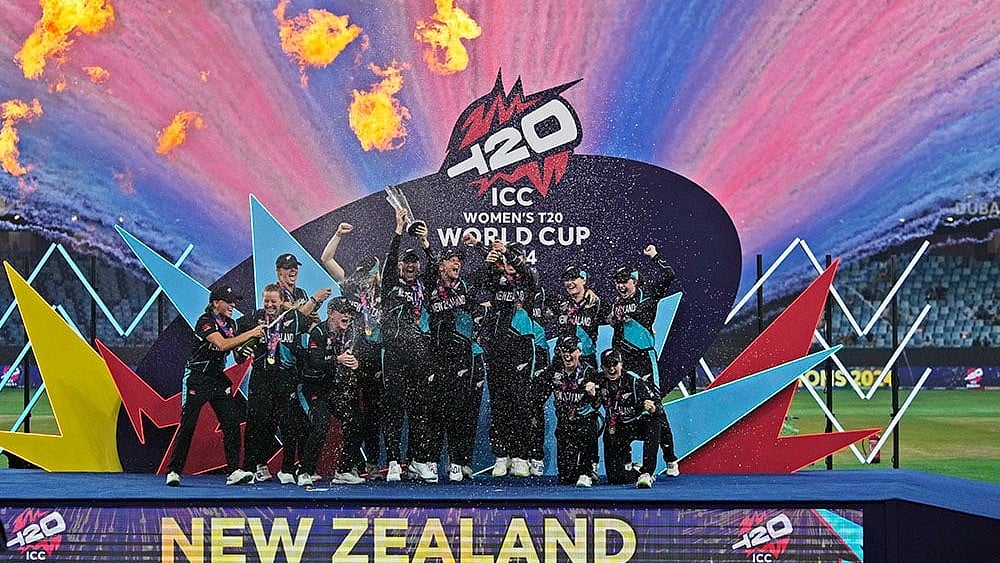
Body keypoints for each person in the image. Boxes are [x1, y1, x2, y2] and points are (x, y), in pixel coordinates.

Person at [164, 286, 265, 487]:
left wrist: (249, 346)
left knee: (231, 422)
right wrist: (251, 332)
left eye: (234, 301)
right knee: (189, 425)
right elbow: (221, 345)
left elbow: (236, 355)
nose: (233, 305)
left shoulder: (232, 325)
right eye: (229, 301)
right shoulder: (205, 322)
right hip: (197, 377)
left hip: (217, 379)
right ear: (216, 302)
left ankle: (234, 470)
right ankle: (174, 471)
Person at [608, 244, 681, 473]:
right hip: (624, 361)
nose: (621, 286)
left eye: (625, 281)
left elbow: (670, 275)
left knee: (655, 407)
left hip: (644, 358)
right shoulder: (617, 305)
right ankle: (628, 460)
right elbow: (616, 333)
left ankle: (670, 458)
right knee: (621, 406)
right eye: (618, 282)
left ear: (634, 282)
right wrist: (613, 320)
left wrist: (654, 256)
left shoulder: (649, 293)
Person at [474, 239, 544, 479]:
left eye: (514, 258)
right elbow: (477, 284)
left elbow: (526, 273)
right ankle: (501, 455)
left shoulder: (529, 277)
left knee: (521, 403)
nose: (510, 264)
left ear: (522, 259)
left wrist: (507, 254)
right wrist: (483, 252)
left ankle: (521, 455)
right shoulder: (497, 277)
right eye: (507, 260)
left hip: (522, 345)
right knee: (500, 403)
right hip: (496, 345)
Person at [321, 222, 384, 479]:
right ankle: (350, 464)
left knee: (373, 415)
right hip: (353, 358)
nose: (366, 280)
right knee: (352, 414)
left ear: (376, 274)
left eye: (370, 274)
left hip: (376, 359)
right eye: (363, 275)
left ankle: (370, 464)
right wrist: (337, 235)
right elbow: (327, 259)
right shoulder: (351, 288)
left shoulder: (386, 290)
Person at [237, 283, 312, 484]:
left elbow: (312, 324)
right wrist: (245, 343)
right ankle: (252, 467)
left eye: (273, 301)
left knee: (289, 424)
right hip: (261, 376)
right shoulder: (255, 317)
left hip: (285, 378)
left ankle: (287, 469)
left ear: (281, 301)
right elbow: (235, 338)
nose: (269, 305)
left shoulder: (293, 318)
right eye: (266, 301)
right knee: (257, 422)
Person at [381, 209, 435, 482]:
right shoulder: (390, 284)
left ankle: (415, 460)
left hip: (419, 356)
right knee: (394, 408)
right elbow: (390, 260)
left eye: (415, 263)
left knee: (420, 409)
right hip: (394, 355)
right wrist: (399, 230)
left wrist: (426, 244)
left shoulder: (425, 287)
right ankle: (393, 462)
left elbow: (436, 271)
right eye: (407, 262)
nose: (412, 266)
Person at [423, 243, 484, 482]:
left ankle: (458, 462)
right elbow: (429, 268)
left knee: (459, 412)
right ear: (441, 266)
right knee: (436, 412)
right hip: (437, 357)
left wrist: (481, 247)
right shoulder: (430, 286)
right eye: (451, 260)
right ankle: (431, 461)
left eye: (459, 260)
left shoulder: (467, 287)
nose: (457, 263)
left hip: (462, 358)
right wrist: (427, 245)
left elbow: (488, 271)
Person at [298, 297, 367, 486]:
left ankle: (343, 471)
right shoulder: (318, 332)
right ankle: (304, 471)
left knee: (357, 421)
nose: (347, 315)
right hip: (311, 389)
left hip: (332, 389)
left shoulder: (348, 333)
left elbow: (352, 357)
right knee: (321, 424)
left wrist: (356, 363)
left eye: (349, 312)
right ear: (330, 314)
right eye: (342, 311)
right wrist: (338, 360)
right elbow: (315, 362)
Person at [597, 348, 671, 488]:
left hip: (638, 424)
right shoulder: (598, 380)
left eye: (615, 364)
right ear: (602, 368)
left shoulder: (633, 381)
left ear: (621, 364)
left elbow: (658, 405)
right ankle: (635, 470)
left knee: (654, 420)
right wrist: (587, 386)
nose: (611, 369)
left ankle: (647, 473)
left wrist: (653, 407)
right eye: (607, 365)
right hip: (618, 427)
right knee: (614, 478)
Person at [534, 335, 602, 487]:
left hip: (585, 423)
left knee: (588, 426)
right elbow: (538, 395)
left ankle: (587, 469)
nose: (567, 355)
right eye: (564, 350)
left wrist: (594, 394)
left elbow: (599, 404)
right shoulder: (554, 372)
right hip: (565, 426)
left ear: (579, 352)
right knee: (565, 478)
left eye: (571, 350)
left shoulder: (589, 373)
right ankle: (579, 470)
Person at [274, 253, 332, 321]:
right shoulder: (275, 292)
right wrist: (315, 299)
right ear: (279, 271)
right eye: (288, 267)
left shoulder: (301, 292)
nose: (293, 270)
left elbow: (308, 313)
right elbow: (297, 314)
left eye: (295, 267)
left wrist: (318, 303)